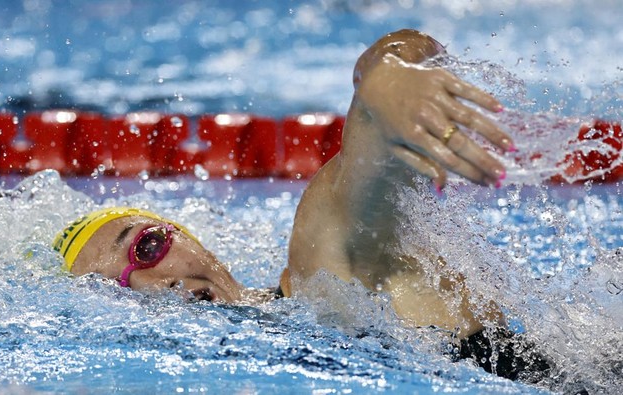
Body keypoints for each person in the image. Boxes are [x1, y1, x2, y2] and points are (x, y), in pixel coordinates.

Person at [52, 29, 549, 382]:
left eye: (148, 246)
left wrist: (386, 78)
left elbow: (373, 119)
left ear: (185, 235)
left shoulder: (320, 275)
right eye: (112, 292)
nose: (151, 285)